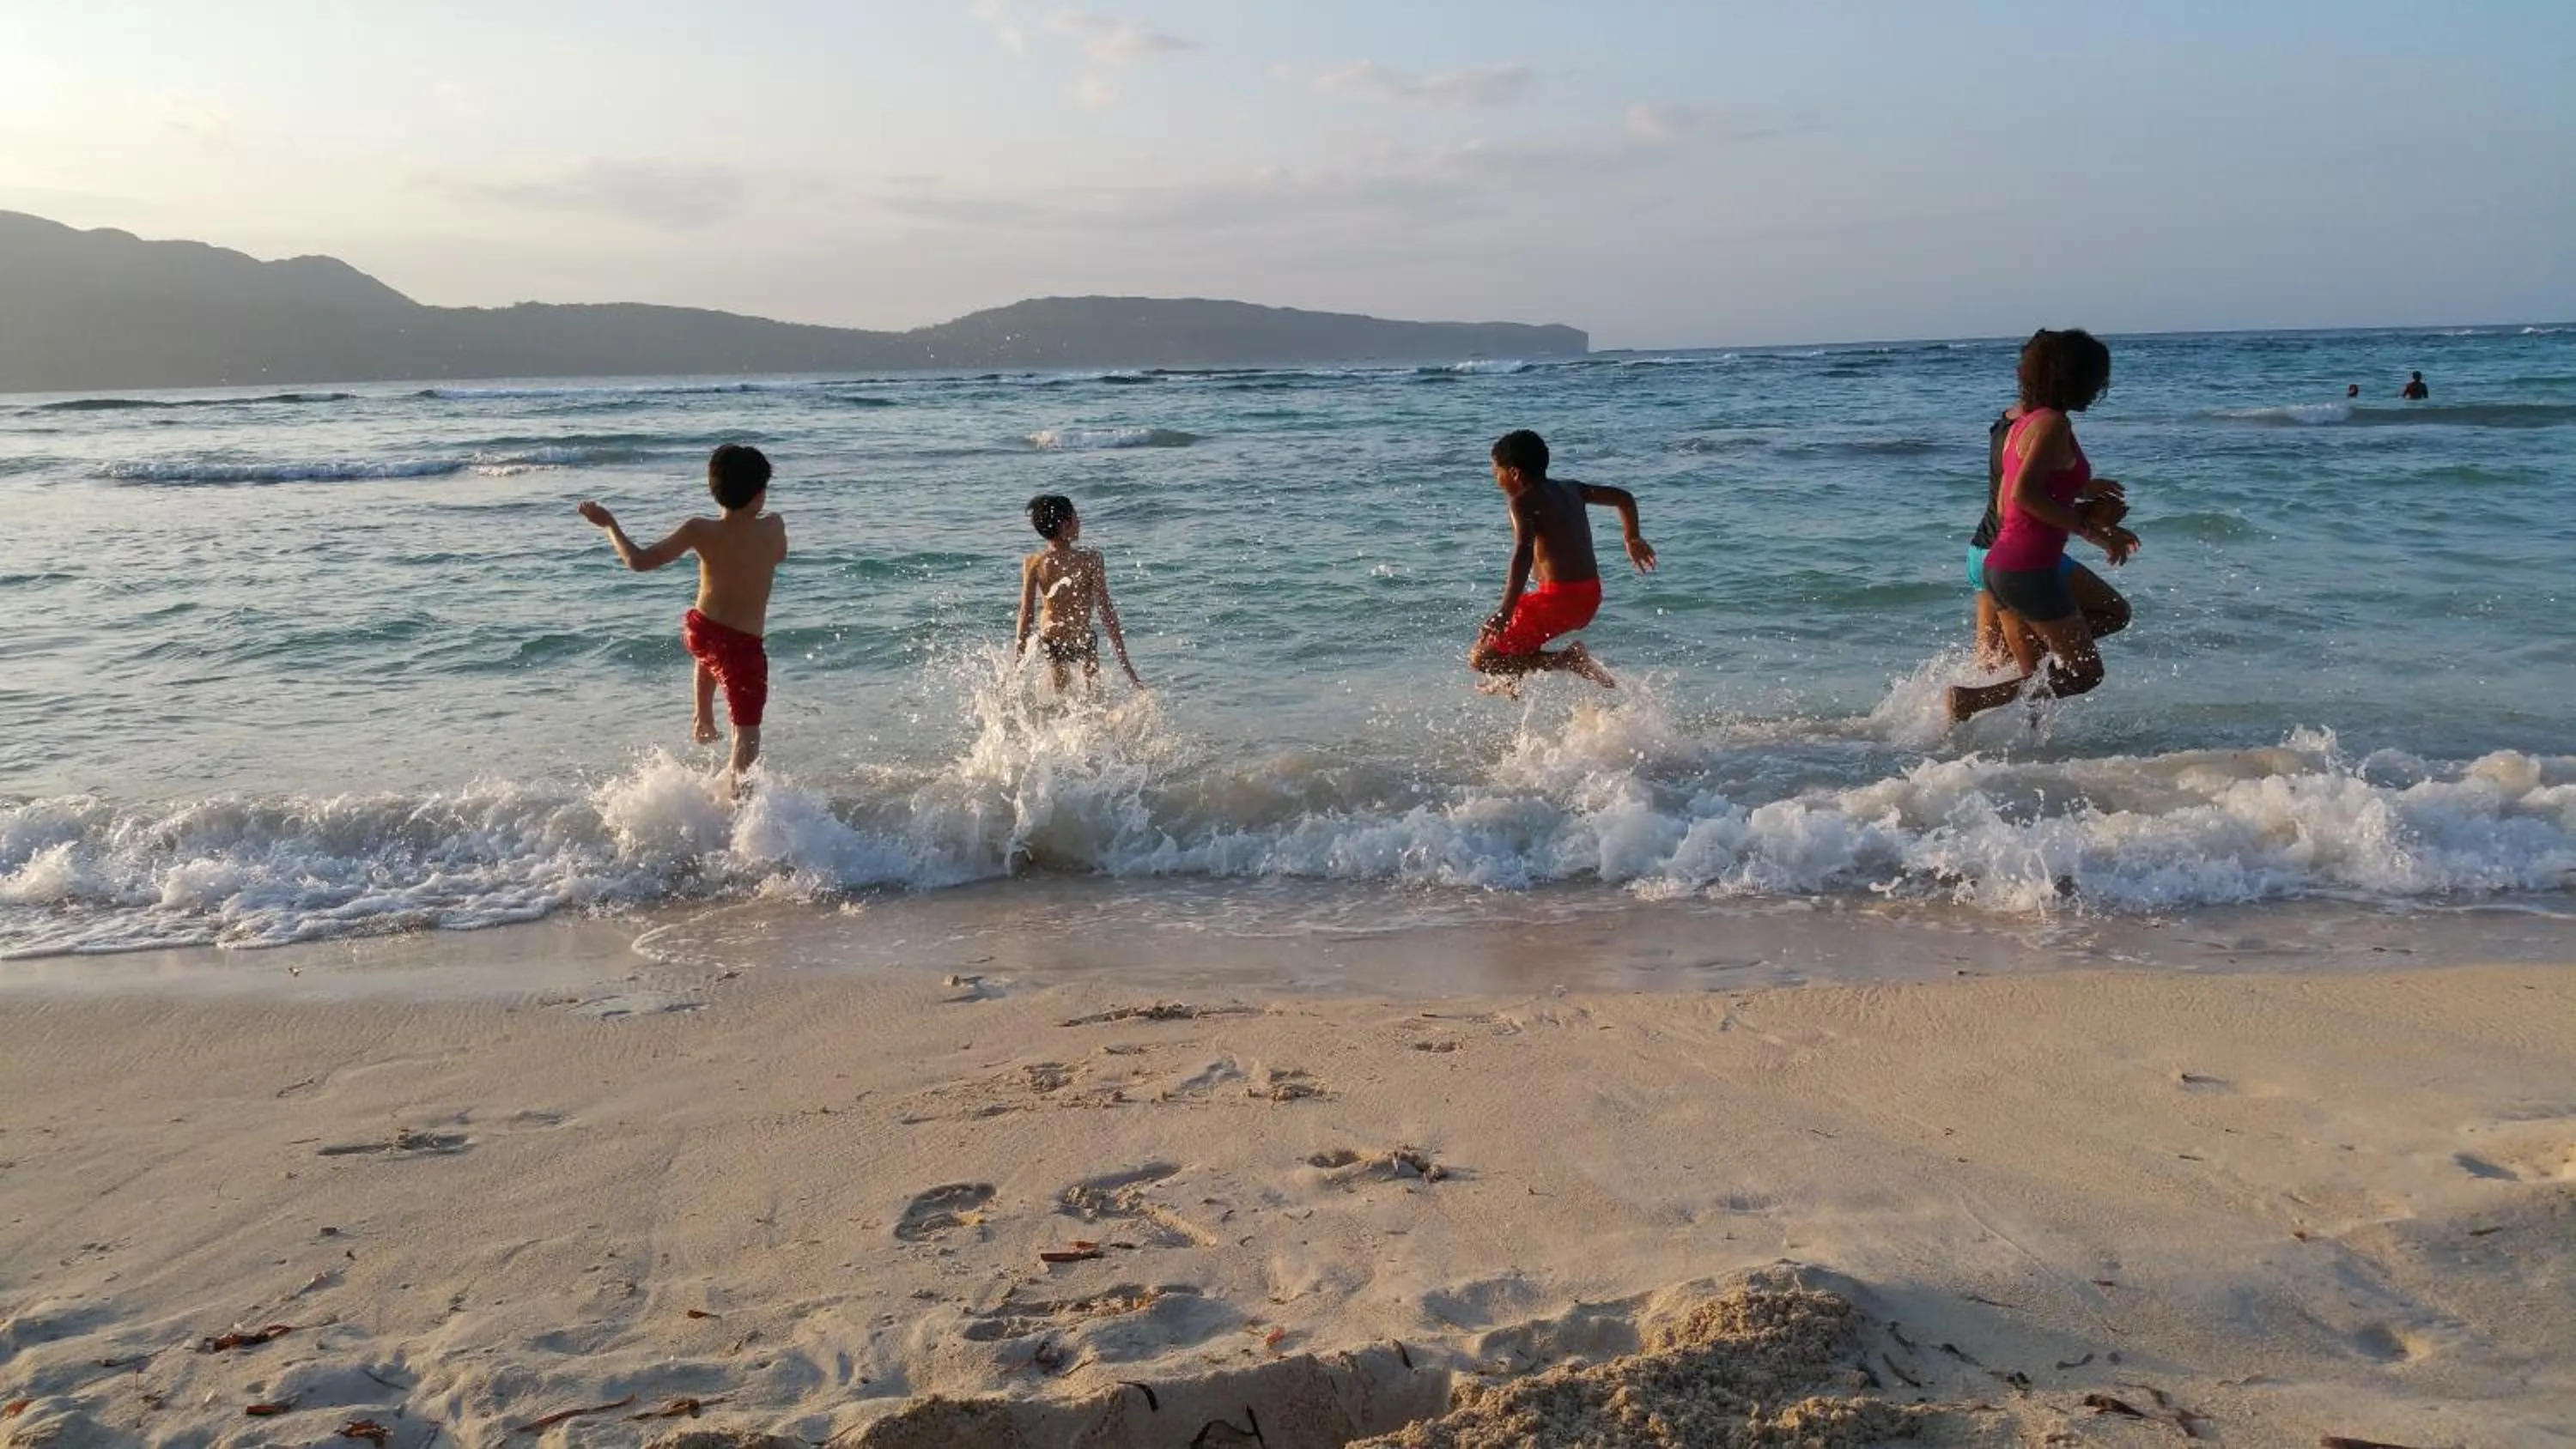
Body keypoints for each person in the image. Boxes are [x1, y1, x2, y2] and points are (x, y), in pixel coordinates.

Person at [1948, 330, 2140, 723]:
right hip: (2029, 568)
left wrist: (2083, 504)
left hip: (1999, 563)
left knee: (2034, 676)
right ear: (2078, 379)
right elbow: (2023, 496)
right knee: (2086, 674)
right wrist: (2094, 532)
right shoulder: (2052, 424)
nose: (2101, 387)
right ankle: (1970, 701)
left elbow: (2007, 498)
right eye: (2098, 378)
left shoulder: (2021, 423)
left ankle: (2032, 765)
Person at [578, 443, 788, 781]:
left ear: (715, 492)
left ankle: (703, 715)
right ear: (760, 492)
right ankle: (737, 808)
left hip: (700, 631)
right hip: (742, 648)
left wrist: (609, 525)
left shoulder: (699, 529)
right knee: (747, 740)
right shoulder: (774, 526)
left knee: (710, 649)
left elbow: (638, 561)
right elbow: (779, 556)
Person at [1469, 429, 1656, 694]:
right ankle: (1516, 670)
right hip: (1588, 597)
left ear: (1514, 473)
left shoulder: (1522, 502)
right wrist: (1632, 537)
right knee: (1510, 642)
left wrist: (1505, 611)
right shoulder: (1572, 489)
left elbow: (1523, 555)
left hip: (1559, 602)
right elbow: (1623, 498)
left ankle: (1567, 660)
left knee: (1481, 658)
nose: (1495, 479)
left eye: (1496, 472)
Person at [1967, 382, 2130, 670]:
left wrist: (2082, 489)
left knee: (1991, 664)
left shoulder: (2008, 423)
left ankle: (1939, 710)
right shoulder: (2042, 425)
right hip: (2016, 555)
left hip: (1981, 552)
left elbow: (2022, 483)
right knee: (2114, 613)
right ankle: (2041, 645)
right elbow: (2025, 501)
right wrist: (2093, 524)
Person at [1015, 494, 1142, 692]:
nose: (1080, 521)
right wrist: (1124, 660)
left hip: (1051, 637)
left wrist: (1019, 660)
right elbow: (1105, 609)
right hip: (1082, 637)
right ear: (1065, 525)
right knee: (1093, 693)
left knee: (1061, 694)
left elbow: (1026, 614)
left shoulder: (1034, 562)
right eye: (1076, 517)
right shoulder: (1091, 559)